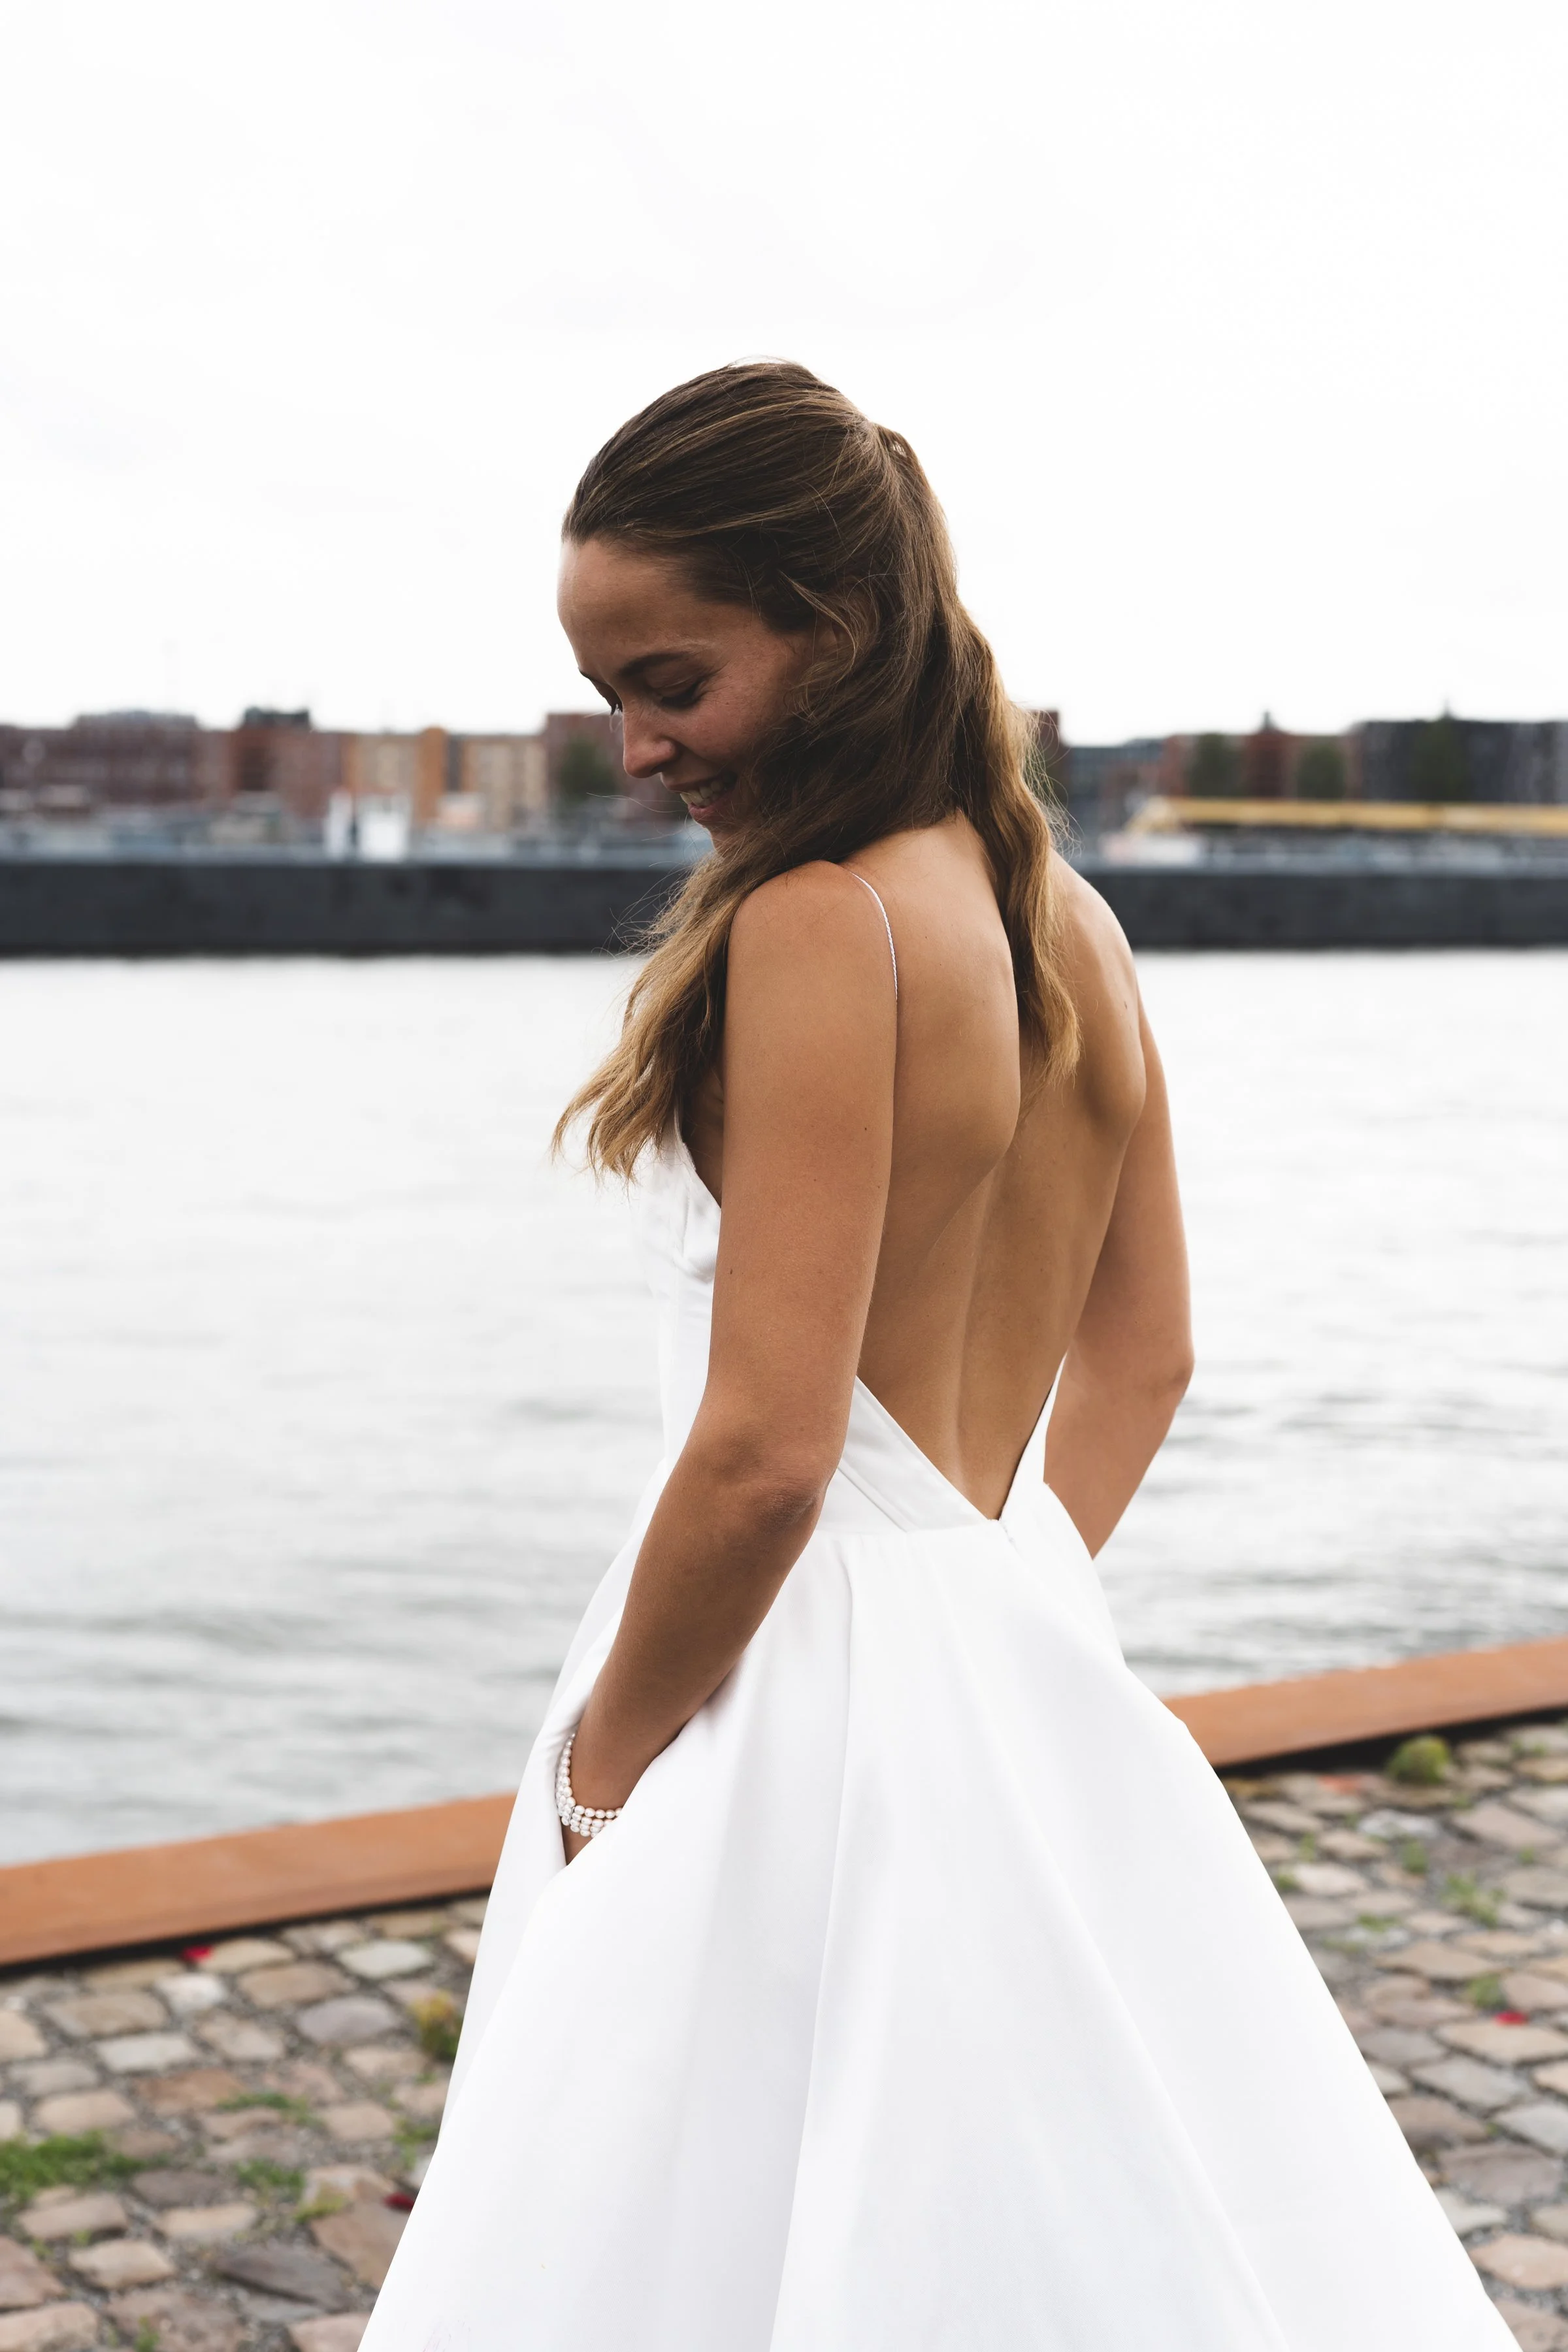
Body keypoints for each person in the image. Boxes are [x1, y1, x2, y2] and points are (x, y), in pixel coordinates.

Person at [362, 363, 1509, 2349]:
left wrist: (601, 1767)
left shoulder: (821, 928)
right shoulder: (1074, 922)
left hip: (774, 1687)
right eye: (607, 693)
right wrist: (995, 1599)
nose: (636, 747)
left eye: (673, 680)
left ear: (839, 628)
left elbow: (768, 1457)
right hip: (996, 1634)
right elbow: (1149, 1358)